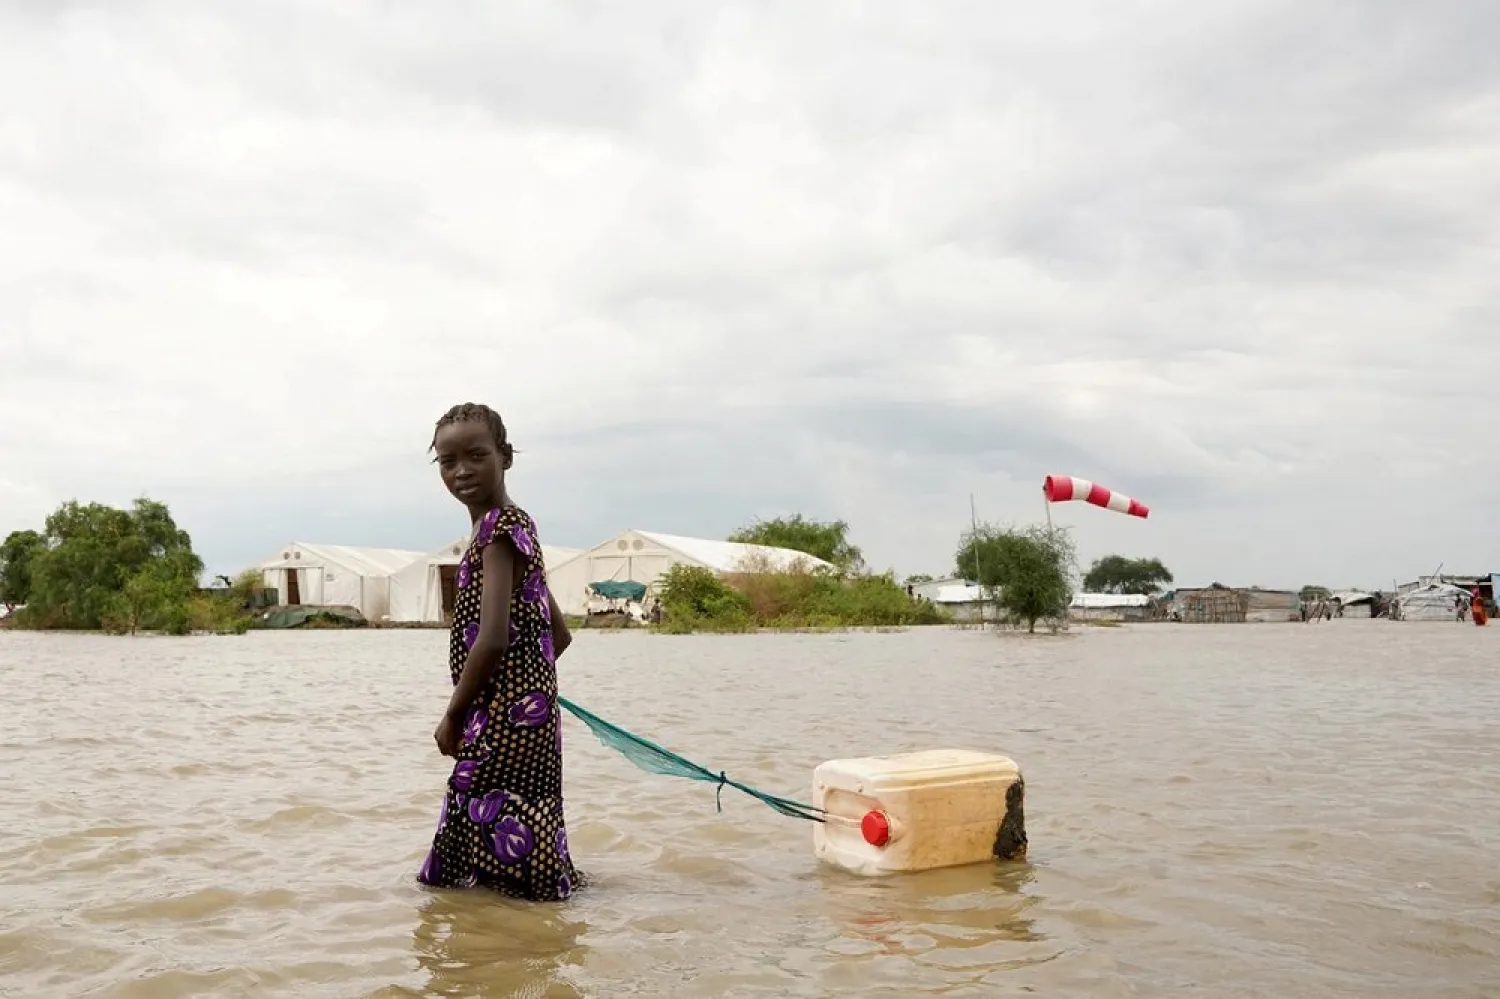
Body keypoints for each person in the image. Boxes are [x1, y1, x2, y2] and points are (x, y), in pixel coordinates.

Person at [416, 403, 581, 901]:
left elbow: (492, 638)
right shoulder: (515, 526)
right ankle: (522, 928)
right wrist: (531, 690)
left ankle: (490, 946)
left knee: (474, 825)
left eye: (476, 456)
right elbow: (560, 633)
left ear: (505, 457)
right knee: (516, 821)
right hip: (524, 715)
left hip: (502, 720)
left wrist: (454, 716)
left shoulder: (496, 530)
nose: (461, 471)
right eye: (448, 461)